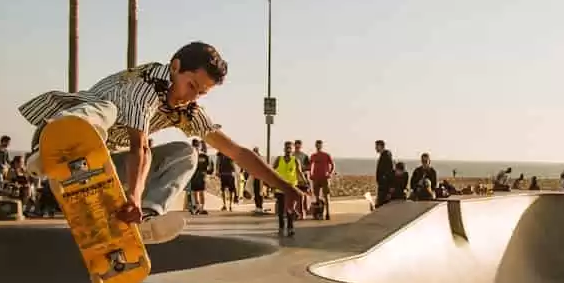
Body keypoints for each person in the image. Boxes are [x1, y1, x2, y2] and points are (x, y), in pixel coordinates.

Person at [19, 41, 306, 244]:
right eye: (191, 86)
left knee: (186, 154)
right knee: (106, 111)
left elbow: (237, 152)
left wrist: (286, 187)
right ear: (175, 67)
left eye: (201, 93)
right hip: (58, 135)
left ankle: (145, 219)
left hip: (97, 165)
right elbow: (140, 148)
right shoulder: (145, 84)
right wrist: (133, 195)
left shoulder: (187, 112)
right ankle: (52, 152)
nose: (191, 97)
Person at [272, 141, 303, 236]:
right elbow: (272, 170)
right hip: (280, 187)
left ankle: (290, 228)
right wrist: (271, 183)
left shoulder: (295, 160)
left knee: (290, 209)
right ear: (284, 149)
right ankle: (281, 227)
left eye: (290, 148)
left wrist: (306, 182)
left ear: (292, 150)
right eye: (287, 148)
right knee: (281, 210)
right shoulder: (279, 159)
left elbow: (299, 172)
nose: (288, 150)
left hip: (291, 188)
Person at [308, 140, 334, 219]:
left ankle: (328, 213)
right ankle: (319, 213)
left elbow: (332, 165)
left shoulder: (326, 155)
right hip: (316, 178)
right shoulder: (313, 156)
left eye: (320, 145)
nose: (318, 146)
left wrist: (330, 173)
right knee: (316, 196)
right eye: (317, 145)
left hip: (325, 178)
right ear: (315, 146)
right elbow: (310, 166)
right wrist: (311, 174)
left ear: (321, 146)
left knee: (326, 196)